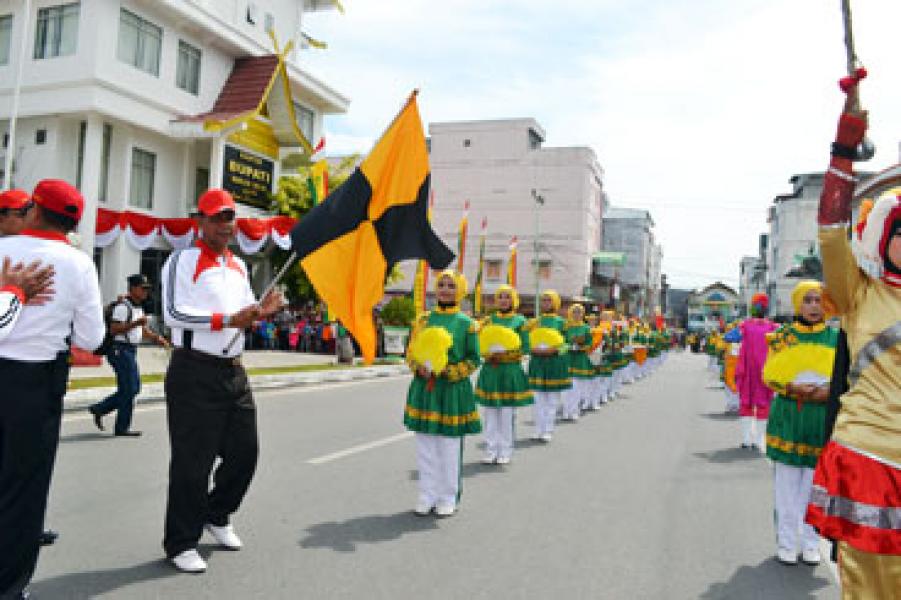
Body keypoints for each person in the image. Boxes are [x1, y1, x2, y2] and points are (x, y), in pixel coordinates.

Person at [804, 72, 901, 597]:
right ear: (885, 236)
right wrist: (844, 152)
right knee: (871, 586)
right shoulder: (860, 291)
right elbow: (830, 231)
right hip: (872, 458)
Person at [160, 189, 283, 573]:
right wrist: (227, 321)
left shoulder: (239, 266)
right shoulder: (182, 259)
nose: (225, 226)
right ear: (201, 220)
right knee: (192, 463)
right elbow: (173, 313)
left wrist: (261, 312)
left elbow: (245, 313)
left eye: (229, 219)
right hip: (193, 370)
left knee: (245, 453)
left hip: (233, 370)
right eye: (217, 218)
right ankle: (181, 541)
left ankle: (217, 514)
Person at [0, 179, 105, 600]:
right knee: (23, 490)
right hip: (35, 382)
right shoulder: (77, 263)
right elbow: (92, 337)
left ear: (34, 211)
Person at [762, 281, 836, 566]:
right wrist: (792, 386)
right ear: (797, 304)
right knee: (787, 486)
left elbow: (847, 376)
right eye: (808, 300)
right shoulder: (782, 337)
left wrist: (830, 391)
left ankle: (810, 543)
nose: (814, 306)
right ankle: (786, 542)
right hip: (789, 416)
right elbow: (769, 374)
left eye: (819, 300)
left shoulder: (836, 338)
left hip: (821, 419)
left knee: (815, 488)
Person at [404, 270, 481, 516]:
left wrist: (448, 371)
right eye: (441, 284)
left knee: (449, 446)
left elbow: (473, 359)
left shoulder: (467, 324)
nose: (445, 289)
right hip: (425, 389)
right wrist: (419, 368)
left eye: (451, 285)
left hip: (452, 390)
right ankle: (427, 495)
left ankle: (448, 496)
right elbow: (410, 352)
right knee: (425, 446)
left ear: (460, 290)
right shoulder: (422, 321)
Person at [88, 274, 169, 436]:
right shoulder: (123, 307)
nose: (146, 292)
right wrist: (136, 324)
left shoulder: (137, 307)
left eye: (147, 289)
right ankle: (119, 425)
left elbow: (141, 330)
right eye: (143, 288)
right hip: (120, 350)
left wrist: (156, 338)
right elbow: (114, 329)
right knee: (130, 389)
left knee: (132, 388)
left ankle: (101, 409)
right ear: (132, 289)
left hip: (129, 350)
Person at [474, 284, 532, 465]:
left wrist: (505, 355)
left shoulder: (520, 321)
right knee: (490, 413)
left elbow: (525, 347)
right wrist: (487, 354)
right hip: (491, 370)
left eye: (507, 297)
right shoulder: (488, 321)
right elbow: (479, 344)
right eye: (500, 297)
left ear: (513, 300)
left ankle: (505, 450)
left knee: (507, 414)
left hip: (510, 370)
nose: (504, 300)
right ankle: (491, 450)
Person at [526, 290, 571, 442]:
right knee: (538, 399)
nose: (545, 303)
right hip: (537, 363)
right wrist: (531, 349)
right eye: (543, 300)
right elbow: (525, 341)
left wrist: (555, 350)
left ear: (556, 303)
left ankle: (547, 430)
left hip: (554, 363)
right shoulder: (534, 322)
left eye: (549, 300)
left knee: (551, 399)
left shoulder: (562, 323)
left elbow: (568, 345)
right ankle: (537, 429)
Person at [735, 293, 778, 451]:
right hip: (761, 371)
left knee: (748, 403)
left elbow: (729, 337)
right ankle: (757, 441)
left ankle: (749, 440)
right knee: (761, 405)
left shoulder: (744, 326)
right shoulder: (774, 328)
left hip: (752, 371)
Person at [562, 304, 593, 421]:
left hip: (580, 359)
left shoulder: (586, 328)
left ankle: (574, 410)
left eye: (579, 312)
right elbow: (562, 341)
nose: (577, 314)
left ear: (582, 314)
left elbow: (590, 343)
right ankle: (566, 411)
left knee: (578, 387)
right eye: (574, 312)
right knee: (566, 387)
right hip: (568, 359)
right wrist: (568, 347)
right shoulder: (566, 327)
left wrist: (581, 348)